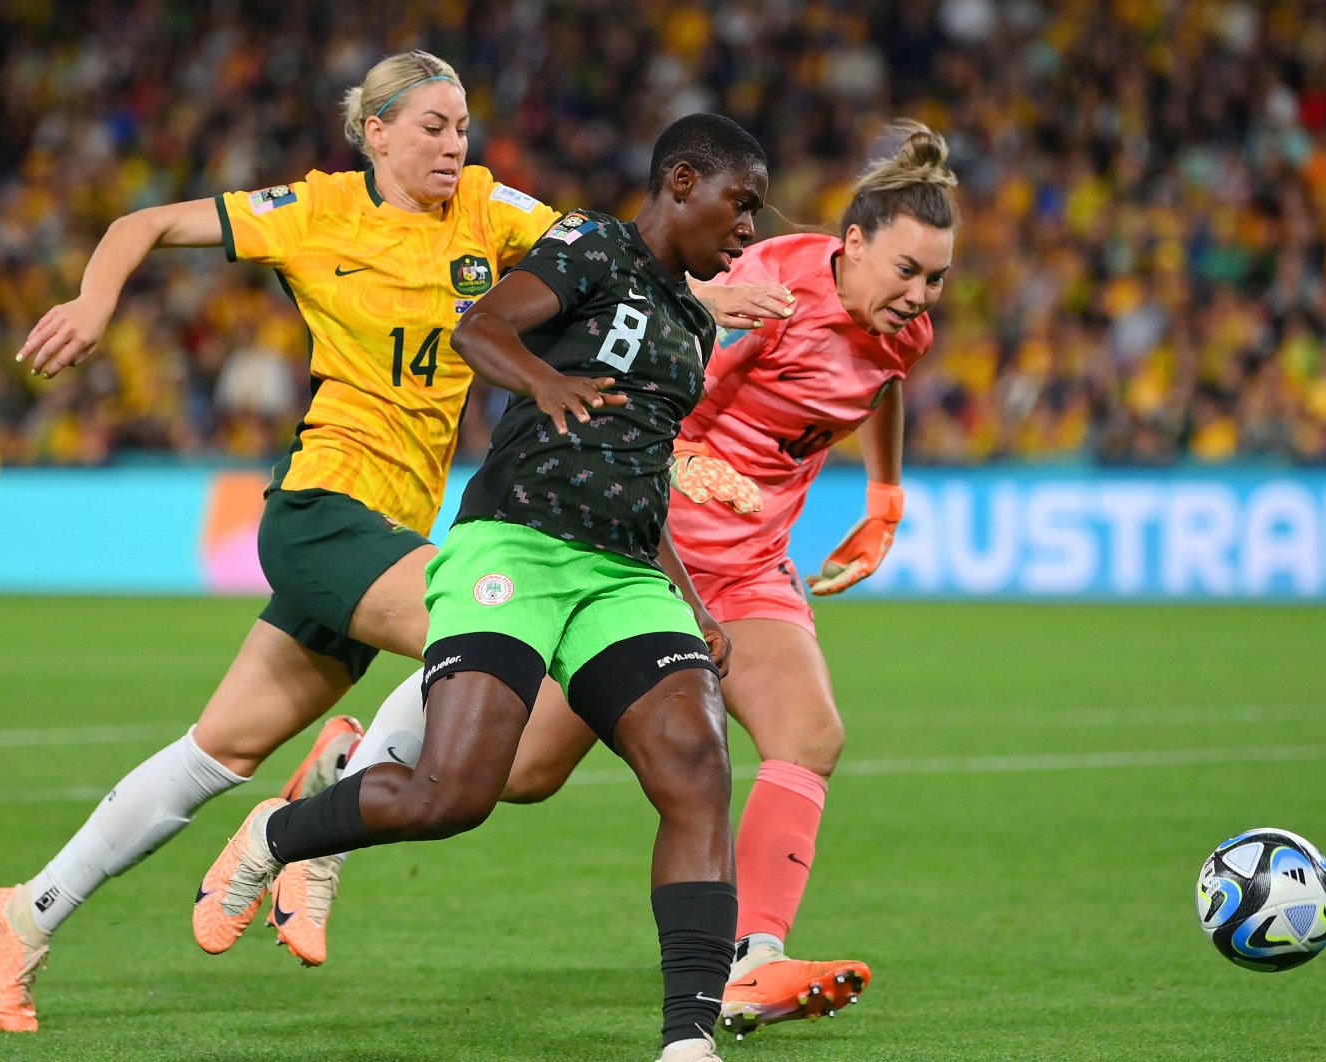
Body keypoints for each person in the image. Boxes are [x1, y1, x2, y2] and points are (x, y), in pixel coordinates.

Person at [0, 52, 789, 1034]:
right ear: (376, 133)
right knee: (488, 627)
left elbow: (616, 251)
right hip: (325, 508)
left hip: (398, 528)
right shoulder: (312, 213)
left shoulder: (493, 211)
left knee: (214, 752)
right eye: (434, 127)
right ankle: (319, 834)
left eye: (464, 128)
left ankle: (25, 913)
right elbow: (142, 223)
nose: (455, 146)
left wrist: (704, 297)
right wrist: (98, 301)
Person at [341, 117, 958, 1038]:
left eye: (938, 278)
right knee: (520, 775)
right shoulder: (765, 293)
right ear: (851, 244)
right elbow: (645, 393)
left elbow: (882, 383)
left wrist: (886, 493)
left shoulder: (898, 331)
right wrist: (687, 465)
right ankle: (364, 755)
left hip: (748, 569)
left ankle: (752, 962)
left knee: (809, 734)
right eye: (906, 272)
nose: (919, 296)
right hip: (642, 553)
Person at [195, 112, 770, 1062]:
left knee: (697, 772)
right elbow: (482, 325)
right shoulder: (592, 242)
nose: (748, 230)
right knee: (451, 794)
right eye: (739, 204)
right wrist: (544, 382)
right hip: (516, 546)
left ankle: (688, 1042)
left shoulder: (690, 321)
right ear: (680, 182)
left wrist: (692, 600)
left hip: (624, 575)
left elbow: (641, 471)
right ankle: (278, 834)